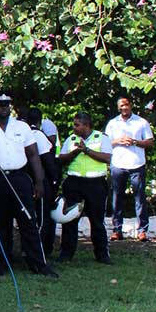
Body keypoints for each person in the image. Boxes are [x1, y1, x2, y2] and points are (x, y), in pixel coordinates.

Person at [0, 91, 58, 278]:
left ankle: (38, 264)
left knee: (29, 221)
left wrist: (39, 182)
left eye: (7, 104)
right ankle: (1, 265)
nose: (4, 108)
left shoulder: (22, 127)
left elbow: (33, 155)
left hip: (20, 178)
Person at [56, 113, 113, 265]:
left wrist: (86, 150)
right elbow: (61, 158)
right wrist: (75, 152)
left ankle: (102, 254)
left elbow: (107, 158)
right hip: (74, 182)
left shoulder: (101, 138)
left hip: (95, 183)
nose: (74, 128)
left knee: (97, 221)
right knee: (70, 219)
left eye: (77, 125)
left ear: (86, 125)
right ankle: (66, 253)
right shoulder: (71, 139)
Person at [105, 97, 155, 242]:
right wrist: (118, 141)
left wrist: (135, 142)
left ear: (131, 105)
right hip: (118, 164)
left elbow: (150, 142)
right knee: (116, 197)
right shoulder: (113, 123)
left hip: (136, 164)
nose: (124, 108)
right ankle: (116, 230)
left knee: (140, 198)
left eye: (126, 105)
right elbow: (105, 142)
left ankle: (142, 231)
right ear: (118, 107)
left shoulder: (141, 122)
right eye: (121, 106)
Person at [23, 107, 58, 255]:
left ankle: (30, 251)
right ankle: (39, 252)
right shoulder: (37, 135)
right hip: (40, 181)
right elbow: (47, 160)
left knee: (30, 218)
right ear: (39, 121)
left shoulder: (21, 134)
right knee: (42, 219)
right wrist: (55, 179)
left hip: (25, 180)